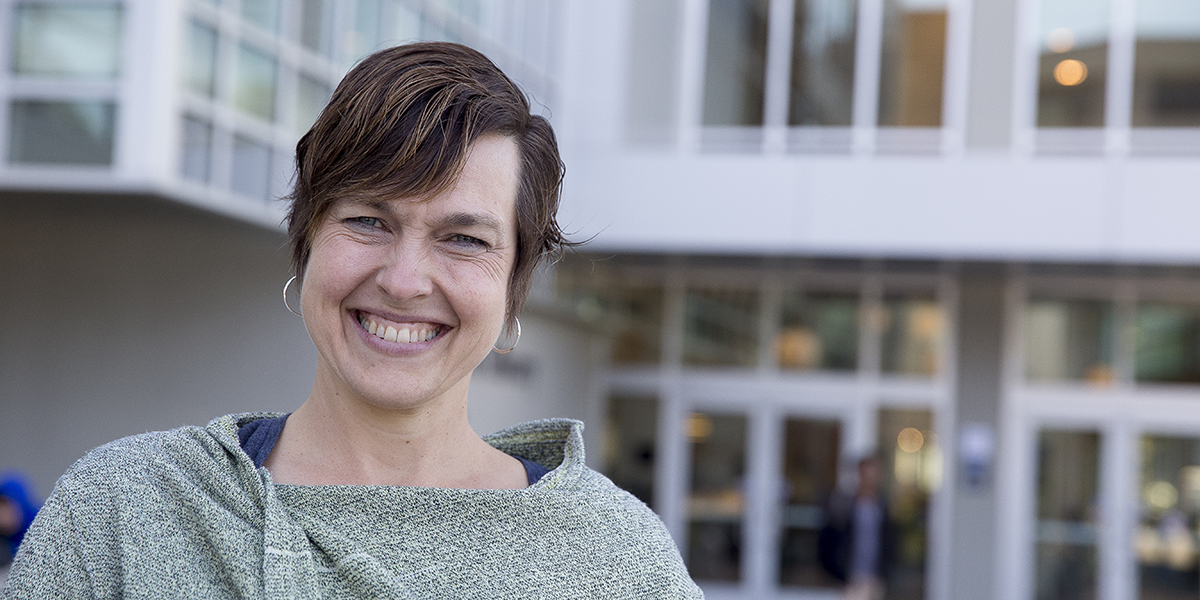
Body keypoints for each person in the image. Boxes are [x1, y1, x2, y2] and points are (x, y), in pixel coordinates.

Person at [3, 42, 702, 599]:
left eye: (464, 239)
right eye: (369, 221)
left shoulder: (612, 562)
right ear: (305, 240)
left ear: (514, 286)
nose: (403, 280)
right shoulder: (123, 513)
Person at [817, 455, 894, 600]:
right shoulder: (845, 507)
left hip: (875, 578)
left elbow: (890, 544)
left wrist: (887, 572)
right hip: (850, 578)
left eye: (874, 474)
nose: (870, 479)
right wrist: (836, 572)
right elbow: (828, 541)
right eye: (866, 474)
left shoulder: (883, 509)